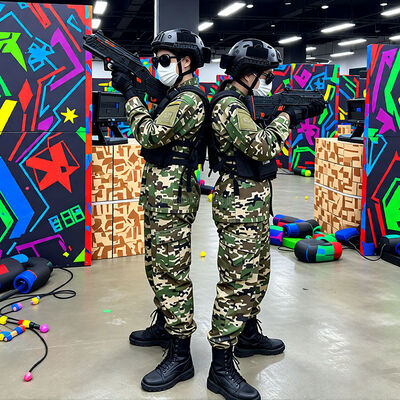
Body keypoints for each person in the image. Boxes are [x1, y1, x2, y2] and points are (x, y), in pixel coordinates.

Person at [207, 39, 326, 400]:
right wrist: (288, 116)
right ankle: (220, 367)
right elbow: (262, 146)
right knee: (237, 283)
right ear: (249, 73)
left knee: (257, 276)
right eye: (266, 75)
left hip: (254, 205)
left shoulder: (244, 102)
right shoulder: (229, 105)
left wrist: (288, 112)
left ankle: (246, 336)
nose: (269, 82)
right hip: (238, 206)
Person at [111, 29, 211, 392]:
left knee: (171, 274)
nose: (159, 65)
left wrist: (131, 94)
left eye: (165, 59)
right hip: (160, 196)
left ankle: (181, 354)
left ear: (187, 61)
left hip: (174, 200)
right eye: (157, 59)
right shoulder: (172, 96)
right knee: (156, 267)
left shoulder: (188, 99)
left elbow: (150, 134)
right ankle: (166, 326)